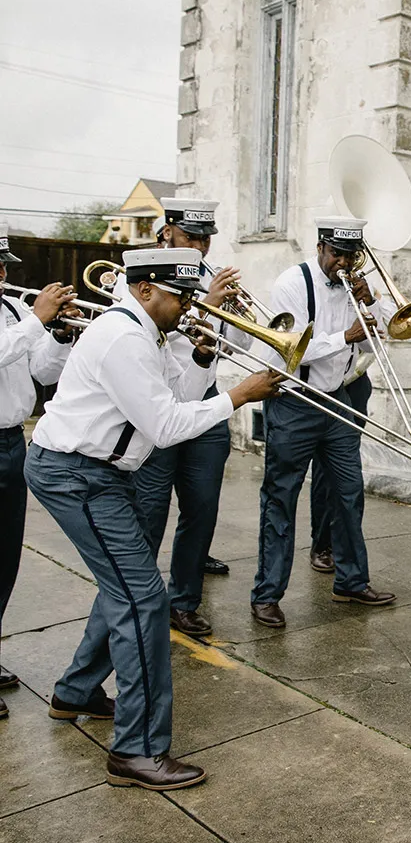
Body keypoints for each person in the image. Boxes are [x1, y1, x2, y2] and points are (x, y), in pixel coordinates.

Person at [24, 247, 282, 791]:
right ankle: (136, 752)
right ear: (145, 291)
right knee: (143, 599)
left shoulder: (150, 333)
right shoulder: (124, 336)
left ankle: (75, 692)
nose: (189, 306)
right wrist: (238, 396)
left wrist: (206, 359)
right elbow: (165, 426)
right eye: (181, 296)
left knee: (124, 587)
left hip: (98, 474)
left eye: (191, 295)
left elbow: (179, 395)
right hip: (77, 474)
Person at [252, 216, 396, 628]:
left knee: (349, 493)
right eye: (337, 255)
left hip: (338, 400)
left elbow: (383, 334)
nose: (344, 264)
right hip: (295, 402)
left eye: (352, 256)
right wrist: (345, 337)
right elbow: (288, 350)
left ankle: (351, 581)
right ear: (320, 248)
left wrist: (372, 302)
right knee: (281, 498)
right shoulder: (291, 284)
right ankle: (266, 595)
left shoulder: (357, 284)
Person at [129, 200, 247, 637]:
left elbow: (228, 347)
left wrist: (229, 314)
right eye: (191, 236)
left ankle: (184, 603)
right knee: (150, 512)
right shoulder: (147, 273)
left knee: (202, 510)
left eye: (206, 237)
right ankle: (138, 603)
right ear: (168, 232)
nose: (200, 244)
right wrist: (206, 305)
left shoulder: (210, 275)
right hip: (157, 404)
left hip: (206, 401)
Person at [0, 223, 76, 719]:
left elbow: (42, 374)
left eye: (4, 266)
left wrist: (61, 336)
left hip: (11, 443)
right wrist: (34, 320)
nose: (4, 274)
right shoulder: (19, 316)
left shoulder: (10, 311)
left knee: (5, 560)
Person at [308, 355, 374, 573]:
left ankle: (345, 551)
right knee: (325, 472)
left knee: (348, 470)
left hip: (355, 381)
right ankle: (322, 544)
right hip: (321, 382)